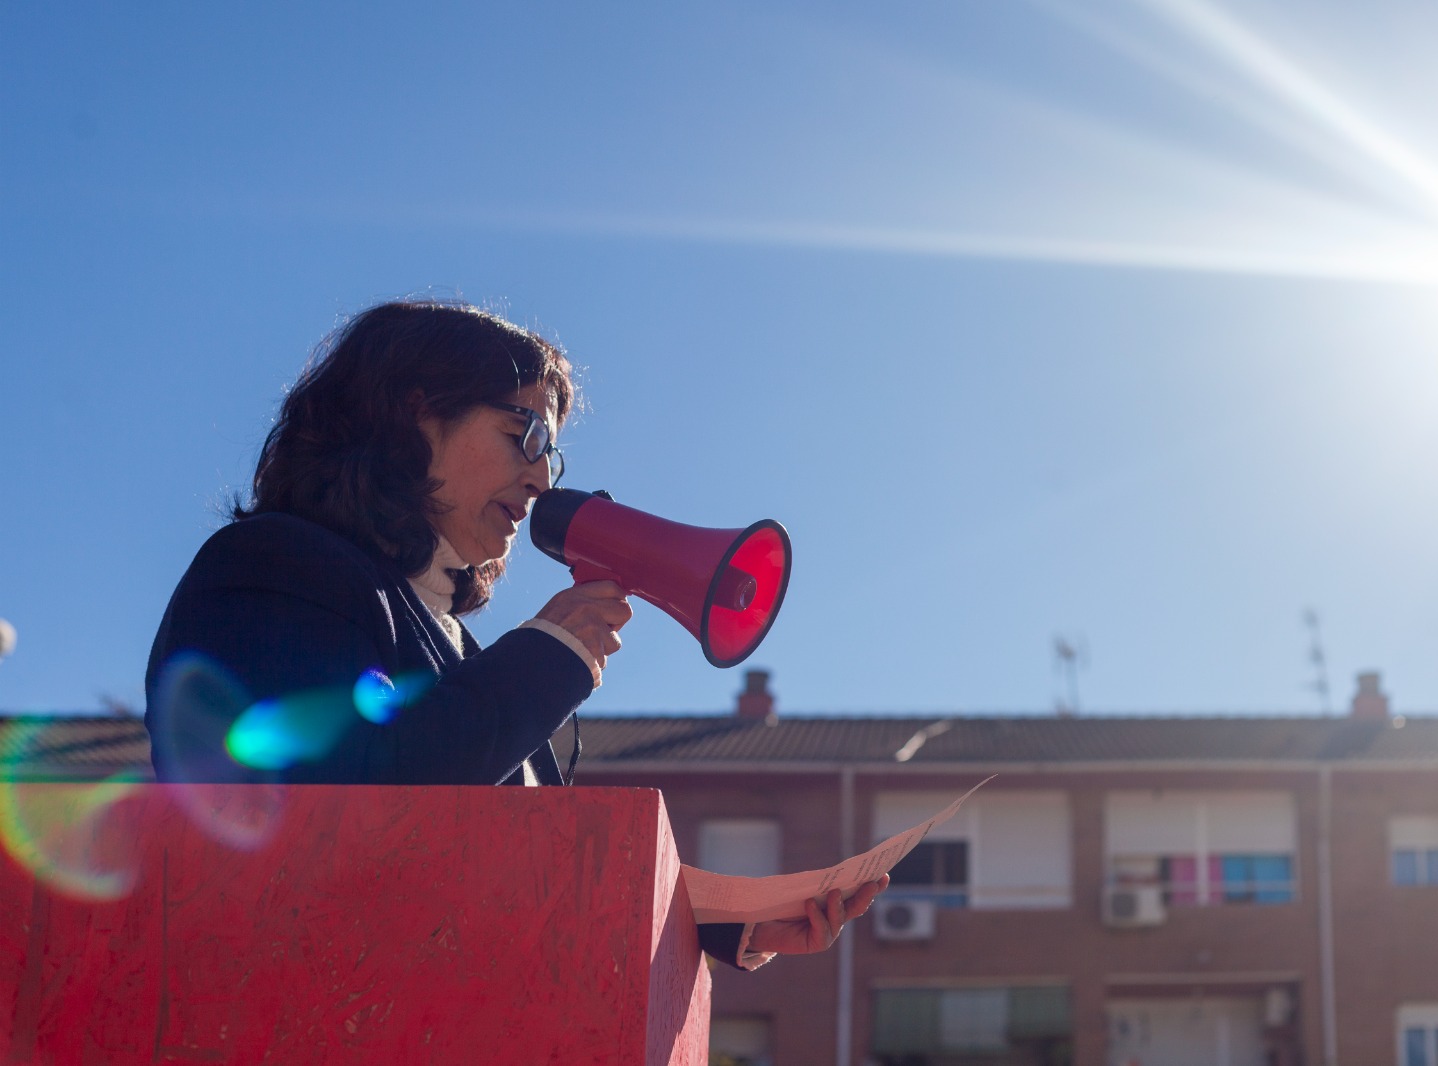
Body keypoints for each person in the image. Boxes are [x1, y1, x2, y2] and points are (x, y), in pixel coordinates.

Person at [144, 299, 884, 970]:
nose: (539, 480)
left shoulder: (464, 654)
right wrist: (547, 658)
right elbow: (341, 801)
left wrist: (722, 923)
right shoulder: (277, 563)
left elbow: (522, 871)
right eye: (521, 432)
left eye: (550, 453)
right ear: (411, 415)